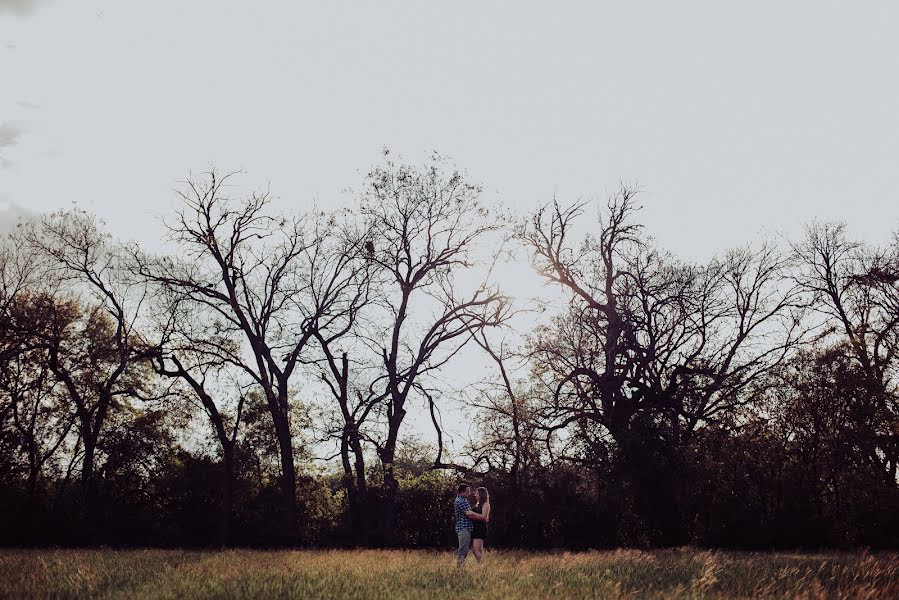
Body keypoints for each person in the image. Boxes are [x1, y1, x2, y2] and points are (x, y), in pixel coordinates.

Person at [453, 483, 488, 567]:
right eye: (467, 491)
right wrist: (482, 517)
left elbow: (472, 515)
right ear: (462, 492)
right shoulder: (460, 501)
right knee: (463, 550)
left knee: (477, 549)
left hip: (469, 529)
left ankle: (483, 567)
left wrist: (482, 517)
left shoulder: (464, 500)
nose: (469, 493)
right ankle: (459, 569)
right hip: (463, 529)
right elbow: (469, 514)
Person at [471, 487, 490, 562]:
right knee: (479, 549)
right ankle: (482, 567)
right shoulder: (478, 504)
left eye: (477, 493)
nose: (475, 495)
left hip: (480, 529)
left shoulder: (486, 504)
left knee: (475, 550)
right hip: (476, 528)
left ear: (481, 494)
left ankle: (482, 565)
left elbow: (483, 517)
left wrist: (472, 513)